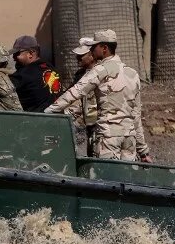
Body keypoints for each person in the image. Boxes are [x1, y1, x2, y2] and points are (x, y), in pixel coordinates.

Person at [44, 29, 153, 163]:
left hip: (108, 138)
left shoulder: (100, 70)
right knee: (126, 179)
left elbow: (75, 92)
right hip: (129, 138)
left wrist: (47, 112)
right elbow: (136, 115)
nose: (92, 50)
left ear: (104, 48)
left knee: (106, 178)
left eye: (94, 47)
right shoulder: (132, 74)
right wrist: (143, 151)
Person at [8, 35, 61, 112]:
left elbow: (1, 88)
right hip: (58, 118)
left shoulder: (24, 74)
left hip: (35, 120)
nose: (14, 58)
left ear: (30, 53)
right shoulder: (52, 69)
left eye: (17, 54)